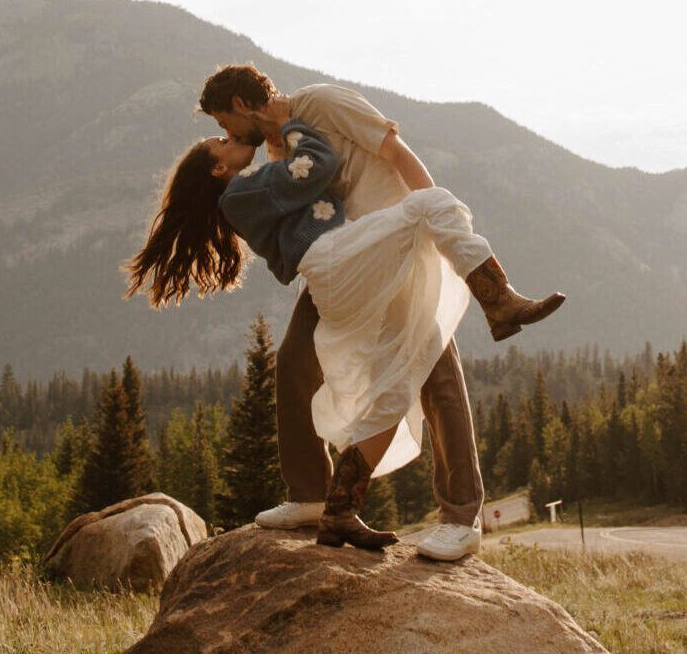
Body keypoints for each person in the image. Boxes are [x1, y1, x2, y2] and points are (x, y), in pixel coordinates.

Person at [127, 108, 563, 552]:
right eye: (219, 142)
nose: (226, 137)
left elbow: (306, 187)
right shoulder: (241, 191)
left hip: (342, 268)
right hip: (338, 259)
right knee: (432, 203)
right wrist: (294, 131)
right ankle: (499, 300)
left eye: (224, 130)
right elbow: (317, 166)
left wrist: (281, 140)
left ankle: (339, 510)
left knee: (396, 384)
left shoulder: (250, 188)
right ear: (219, 168)